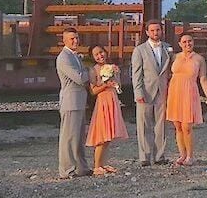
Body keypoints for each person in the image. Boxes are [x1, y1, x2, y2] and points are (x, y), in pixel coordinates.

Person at [166, 33, 207, 166]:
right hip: (174, 91)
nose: (187, 44)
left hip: (189, 92)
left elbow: (203, 79)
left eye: (190, 41)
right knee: (177, 125)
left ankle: (190, 155)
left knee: (186, 126)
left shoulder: (199, 59)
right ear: (179, 44)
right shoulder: (174, 57)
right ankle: (182, 154)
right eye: (184, 42)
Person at [132, 20, 173, 166]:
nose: (156, 33)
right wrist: (138, 92)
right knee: (144, 125)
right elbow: (136, 73)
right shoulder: (140, 50)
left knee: (161, 125)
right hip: (146, 92)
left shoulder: (168, 48)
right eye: (153, 30)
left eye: (158, 30)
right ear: (147, 32)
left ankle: (159, 156)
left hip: (163, 91)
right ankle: (144, 156)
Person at [86, 45, 128, 175]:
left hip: (112, 99)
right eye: (96, 55)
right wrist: (105, 85)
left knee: (108, 136)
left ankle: (103, 164)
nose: (100, 56)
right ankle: (97, 165)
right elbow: (93, 91)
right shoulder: (94, 70)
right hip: (103, 101)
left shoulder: (111, 67)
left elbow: (119, 87)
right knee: (102, 135)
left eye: (101, 52)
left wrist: (116, 75)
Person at [55, 28, 91, 179]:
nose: (75, 41)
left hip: (79, 101)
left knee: (78, 137)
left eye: (76, 38)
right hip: (70, 101)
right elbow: (80, 78)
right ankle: (67, 170)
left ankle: (81, 167)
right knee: (69, 137)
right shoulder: (64, 58)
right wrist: (95, 71)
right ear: (64, 41)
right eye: (72, 39)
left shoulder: (74, 56)